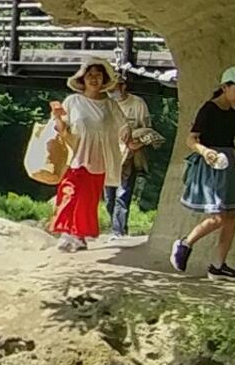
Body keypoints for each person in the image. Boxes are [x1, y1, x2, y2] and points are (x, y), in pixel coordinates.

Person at [172, 67, 235, 278]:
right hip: (210, 166)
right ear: (225, 87)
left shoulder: (232, 115)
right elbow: (191, 139)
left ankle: (218, 266)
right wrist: (206, 152)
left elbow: (230, 145)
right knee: (220, 216)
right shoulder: (208, 110)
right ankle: (185, 243)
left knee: (232, 217)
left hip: (227, 165)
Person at [50, 57, 124, 252]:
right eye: (90, 75)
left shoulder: (110, 105)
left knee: (88, 200)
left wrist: (132, 141)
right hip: (75, 156)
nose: (94, 79)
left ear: (103, 79)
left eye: (98, 76)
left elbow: (124, 127)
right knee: (69, 193)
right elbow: (61, 127)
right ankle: (66, 233)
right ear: (83, 79)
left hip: (99, 158)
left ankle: (80, 236)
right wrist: (57, 117)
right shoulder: (73, 101)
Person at [105, 69, 163, 237]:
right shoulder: (106, 104)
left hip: (129, 156)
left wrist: (137, 145)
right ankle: (117, 226)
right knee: (109, 198)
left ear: (123, 86)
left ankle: (118, 231)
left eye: (113, 87)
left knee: (122, 194)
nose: (110, 91)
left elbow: (149, 132)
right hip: (108, 156)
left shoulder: (138, 104)